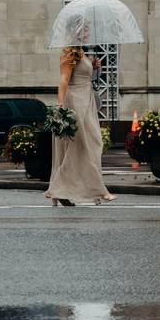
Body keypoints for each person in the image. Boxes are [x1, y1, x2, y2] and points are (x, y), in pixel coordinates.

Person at [44, 42, 116, 206]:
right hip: (75, 101)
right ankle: (99, 190)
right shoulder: (69, 52)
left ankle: (62, 189)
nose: (87, 31)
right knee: (80, 146)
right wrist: (60, 106)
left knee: (93, 143)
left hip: (87, 100)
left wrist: (96, 67)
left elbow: (89, 79)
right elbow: (63, 80)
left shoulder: (83, 52)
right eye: (84, 28)